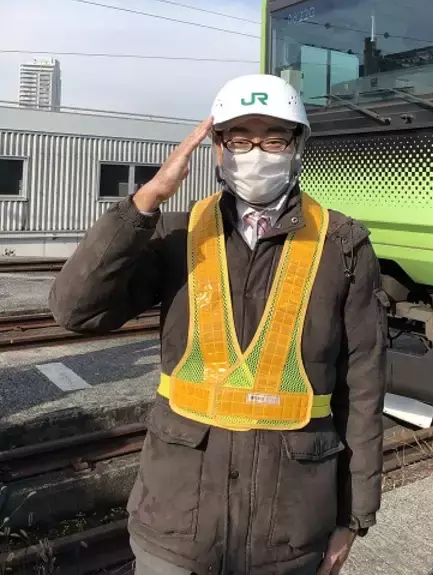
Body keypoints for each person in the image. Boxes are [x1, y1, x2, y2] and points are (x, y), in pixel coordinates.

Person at [50, 74, 387, 575]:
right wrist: (147, 200)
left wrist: (354, 516)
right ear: (217, 148)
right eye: (240, 139)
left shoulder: (342, 245)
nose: (256, 154)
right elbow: (75, 311)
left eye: (274, 139)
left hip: (289, 530)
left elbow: (362, 387)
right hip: (176, 522)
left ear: (297, 147)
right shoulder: (177, 234)